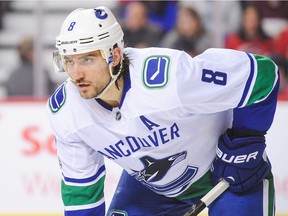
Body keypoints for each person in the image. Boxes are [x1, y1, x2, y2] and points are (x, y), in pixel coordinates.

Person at [47, 6, 279, 216]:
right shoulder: (67, 112)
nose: (75, 74)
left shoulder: (170, 79)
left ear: (114, 56)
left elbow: (261, 73)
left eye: (87, 60)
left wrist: (245, 140)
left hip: (229, 172)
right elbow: (81, 193)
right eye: (69, 61)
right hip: (152, 186)